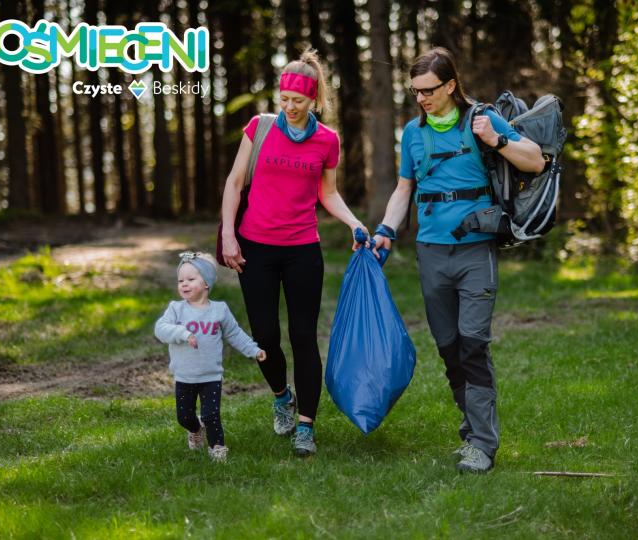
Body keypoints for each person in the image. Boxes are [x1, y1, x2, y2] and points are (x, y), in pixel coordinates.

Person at [371, 48, 545, 473]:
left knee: (473, 344)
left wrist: (497, 140)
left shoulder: (481, 119)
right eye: (415, 92)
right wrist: (386, 229)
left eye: (429, 90)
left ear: (450, 85)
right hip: (431, 252)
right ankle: (472, 432)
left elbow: (536, 160)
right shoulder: (413, 133)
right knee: (449, 348)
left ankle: (483, 444)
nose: (422, 99)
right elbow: (404, 189)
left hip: (475, 251)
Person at [220, 48, 367, 457]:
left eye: (298, 100)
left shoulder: (327, 140)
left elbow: (328, 193)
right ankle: (282, 396)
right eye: (283, 99)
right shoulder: (260, 128)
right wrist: (229, 235)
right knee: (265, 335)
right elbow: (234, 183)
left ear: (313, 98)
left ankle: (306, 426)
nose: (289, 107)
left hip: (302, 249)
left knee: (304, 337)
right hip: (255, 248)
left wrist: (354, 222)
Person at [154, 251, 267, 462]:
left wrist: (253, 350)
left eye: (190, 279)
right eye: (180, 280)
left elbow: (234, 334)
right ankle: (196, 429)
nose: (184, 284)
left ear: (206, 283)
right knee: (184, 417)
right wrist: (183, 333)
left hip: (211, 375)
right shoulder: (176, 309)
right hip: (185, 375)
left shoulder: (219, 310)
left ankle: (218, 448)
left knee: (211, 415)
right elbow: (160, 329)